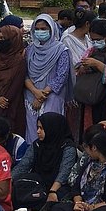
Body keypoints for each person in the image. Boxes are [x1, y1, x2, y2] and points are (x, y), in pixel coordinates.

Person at [11, 112, 77, 210]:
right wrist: (8, 182)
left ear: (53, 128)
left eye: (41, 128)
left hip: (59, 186)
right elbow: (23, 166)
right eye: (38, 127)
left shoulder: (67, 147)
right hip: (39, 183)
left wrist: (53, 191)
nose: (38, 131)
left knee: (59, 202)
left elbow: (64, 172)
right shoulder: (37, 145)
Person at [23, 13, 70, 141]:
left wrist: (41, 96)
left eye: (44, 29)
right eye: (37, 29)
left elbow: (61, 77)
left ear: (52, 29)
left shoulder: (61, 50)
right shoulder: (29, 50)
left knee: (50, 129)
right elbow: (25, 74)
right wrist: (35, 92)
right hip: (31, 95)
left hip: (52, 96)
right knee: (33, 131)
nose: (40, 32)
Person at [0, 21, 26, 136]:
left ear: (13, 39)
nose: (0, 41)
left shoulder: (20, 60)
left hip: (12, 106)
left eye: (3, 38)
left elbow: (16, 85)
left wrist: (4, 100)